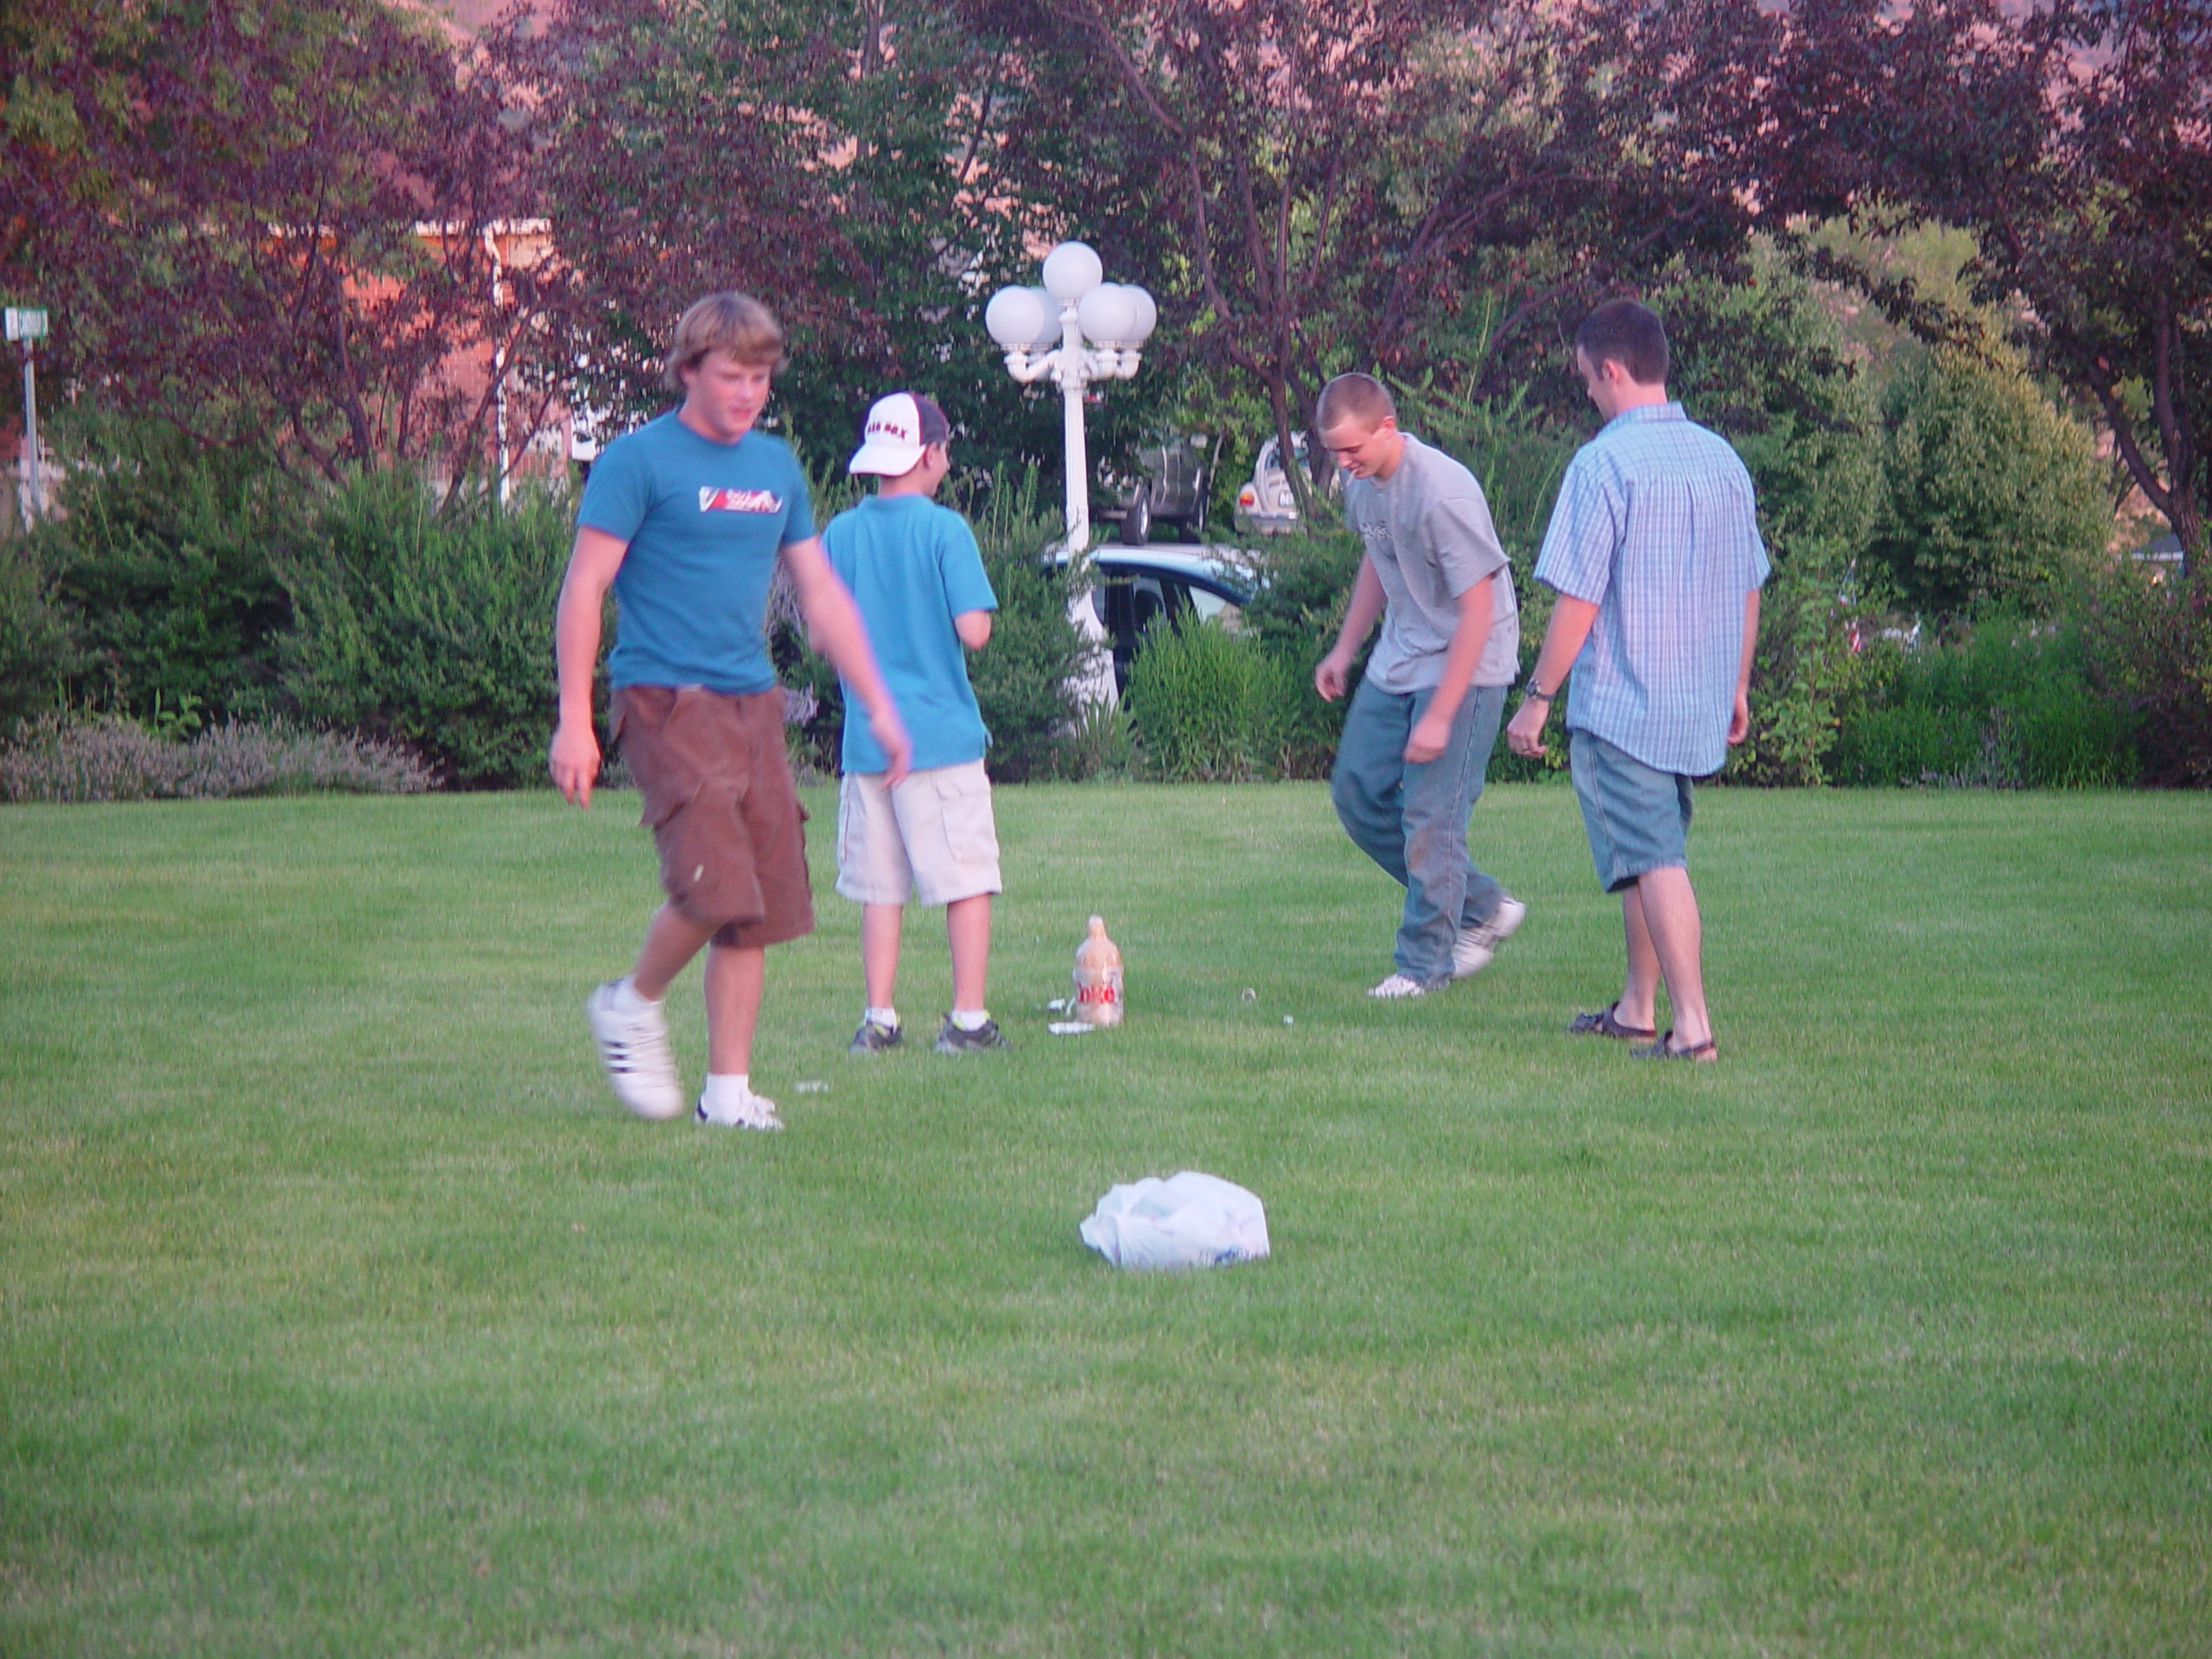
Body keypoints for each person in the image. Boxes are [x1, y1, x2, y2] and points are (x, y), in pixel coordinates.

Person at [550, 291, 912, 1129]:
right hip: (667, 698)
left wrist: (880, 706)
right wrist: (573, 716)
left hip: (752, 702)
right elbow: (584, 586)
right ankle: (631, 1003)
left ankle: (727, 1093)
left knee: (755, 907)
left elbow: (819, 594)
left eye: (759, 377)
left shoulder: (774, 467)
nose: (747, 393)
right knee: (713, 885)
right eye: (731, 376)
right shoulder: (637, 462)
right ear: (688, 371)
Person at [1503, 297, 1768, 1061]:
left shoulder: (1604, 462)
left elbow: (1579, 597)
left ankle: (1692, 1030)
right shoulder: (1722, 458)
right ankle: (1636, 1008)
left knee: (1655, 859)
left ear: (1613, 370)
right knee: (1651, 855)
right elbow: (1749, 584)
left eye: (1587, 379)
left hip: (1625, 701)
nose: (1588, 392)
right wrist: (1738, 685)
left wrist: (1537, 701)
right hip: (1696, 701)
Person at [1313, 372, 1526, 999]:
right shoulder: (1363, 487)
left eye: (1352, 449)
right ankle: (1482, 904)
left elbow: (1479, 611)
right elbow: (1380, 563)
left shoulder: (1441, 492)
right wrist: (1346, 648)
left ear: (1387, 427)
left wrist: (1441, 714)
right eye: (1333, 452)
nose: (1344, 464)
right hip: (1401, 656)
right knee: (1356, 792)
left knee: (1432, 815)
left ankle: (1422, 966)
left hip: (1468, 660)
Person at [822, 391, 1007, 1056]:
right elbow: (975, 632)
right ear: (928, 454)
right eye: (945, 450)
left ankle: (879, 1019)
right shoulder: (945, 530)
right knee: (966, 879)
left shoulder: (840, 534)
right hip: (940, 740)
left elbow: (822, 632)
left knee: (880, 887)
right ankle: (966, 1020)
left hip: (867, 744)